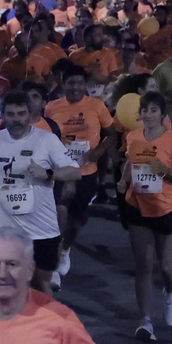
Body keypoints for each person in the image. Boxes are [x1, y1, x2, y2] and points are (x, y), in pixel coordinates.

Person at [0, 91, 77, 286]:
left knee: (41, 285)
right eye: (11, 114)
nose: (16, 120)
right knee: (4, 284)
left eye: (21, 114)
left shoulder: (46, 140)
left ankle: (45, 318)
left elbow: (75, 172)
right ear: (3, 116)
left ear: (29, 114)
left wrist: (48, 173)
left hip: (41, 229)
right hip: (4, 228)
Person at [119, 93, 172, 341]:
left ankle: (170, 293)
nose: (148, 115)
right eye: (145, 110)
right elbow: (130, 161)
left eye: (153, 110)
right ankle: (145, 321)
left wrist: (164, 171)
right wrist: (123, 179)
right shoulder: (133, 136)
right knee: (143, 266)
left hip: (166, 208)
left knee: (165, 266)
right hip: (137, 205)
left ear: (163, 116)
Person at [43, 67, 114, 273]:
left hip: (87, 172)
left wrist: (98, 152)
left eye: (79, 83)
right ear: (63, 84)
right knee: (59, 215)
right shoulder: (51, 108)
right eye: (71, 83)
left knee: (75, 221)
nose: (75, 87)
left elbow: (111, 135)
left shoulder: (97, 106)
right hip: (61, 172)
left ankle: (65, 249)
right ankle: (53, 267)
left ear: (85, 85)